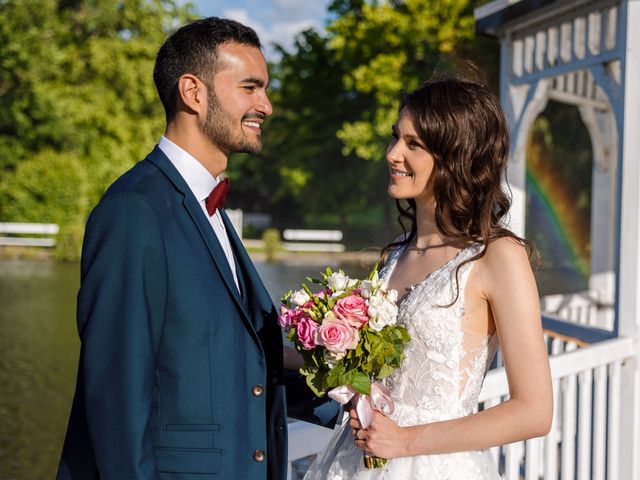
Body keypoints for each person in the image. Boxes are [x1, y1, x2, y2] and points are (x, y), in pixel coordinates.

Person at [57, 17, 287, 480]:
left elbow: (241, 362)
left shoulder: (211, 208)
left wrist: (349, 390)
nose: (265, 104)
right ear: (193, 92)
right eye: (250, 87)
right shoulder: (134, 211)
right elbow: (117, 394)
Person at [304, 75, 553, 479]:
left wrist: (405, 441)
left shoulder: (498, 257)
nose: (392, 154)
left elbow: (534, 411)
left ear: (457, 157)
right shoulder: (397, 254)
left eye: (413, 145)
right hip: (357, 459)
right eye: (395, 138)